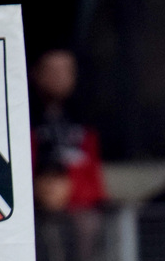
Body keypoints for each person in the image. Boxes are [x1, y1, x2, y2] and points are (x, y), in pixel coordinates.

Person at [29, 49, 107, 213]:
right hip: (38, 213)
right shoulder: (23, 122)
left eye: (66, 70)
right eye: (53, 70)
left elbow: (95, 184)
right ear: (36, 74)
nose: (60, 77)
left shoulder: (86, 122)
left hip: (81, 213)